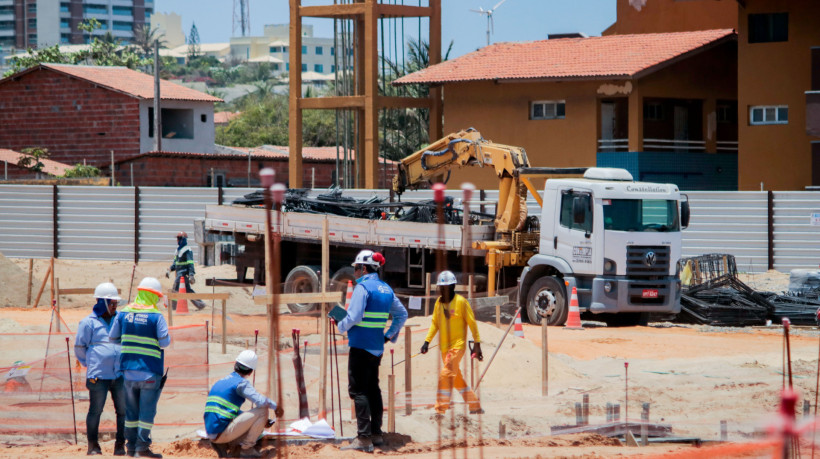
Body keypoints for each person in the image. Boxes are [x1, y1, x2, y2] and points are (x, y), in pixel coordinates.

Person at [335, 250, 407, 452]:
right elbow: (402, 314)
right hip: (376, 347)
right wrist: (388, 335)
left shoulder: (363, 287)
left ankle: (364, 438)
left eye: (356, 268)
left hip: (360, 345)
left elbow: (355, 316)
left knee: (358, 390)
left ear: (363, 268)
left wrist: (340, 325)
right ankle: (376, 434)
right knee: (373, 389)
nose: (354, 272)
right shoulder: (386, 288)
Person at [109, 277, 170, 458]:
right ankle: (142, 448)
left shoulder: (122, 313)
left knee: (131, 413)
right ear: (153, 296)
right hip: (150, 371)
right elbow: (165, 342)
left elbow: (112, 338)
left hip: (128, 371)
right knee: (147, 412)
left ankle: (130, 449)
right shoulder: (156, 316)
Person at [420, 270, 484, 416]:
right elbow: (435, 324)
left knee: (445, 375)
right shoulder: (438, 304)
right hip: (444, 348)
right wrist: (426, 342)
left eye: (445, 288)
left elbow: (472, 323)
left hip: (457, 346)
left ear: (452, 287)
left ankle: (440, 409)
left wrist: (477, 344)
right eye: (440, 288)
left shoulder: (461, 302)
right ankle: (475, 406)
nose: (442, 290)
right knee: (456, 379)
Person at [75, 282, 127, 456]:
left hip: (118, 375)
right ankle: (93, 446)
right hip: (98, 376)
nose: (115, 307)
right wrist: (91, 364)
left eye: (116, 304)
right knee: (95, 410)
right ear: (102, 302)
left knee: (123, 411)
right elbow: (80, 347)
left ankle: (120, 446)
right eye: (112, 303)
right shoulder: (88, 323)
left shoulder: (120, 319)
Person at [204, 350, 284, 458]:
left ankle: (225, 445)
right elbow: (261, 401)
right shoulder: (241, 383)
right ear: (251, 372)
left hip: (212, 433)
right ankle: (246, 450)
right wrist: (276, 407)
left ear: (235, 364)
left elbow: (231, 412)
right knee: (263, 411)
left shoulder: (221, 381)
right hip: (221, 433)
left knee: (255, 418)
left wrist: (255, 421)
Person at [167, 231, 206, 310]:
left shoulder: (187, 250)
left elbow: (190, 263)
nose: (177, 240)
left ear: (183, 240)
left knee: (175, 289)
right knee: (188, 291)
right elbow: (175, 264)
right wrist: (169, 270)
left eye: (179, 238)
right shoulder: (177, 251)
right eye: (177, 238)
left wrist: (191, 275)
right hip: (179, 274)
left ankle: (173, 307)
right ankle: (200, 304)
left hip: (183, 275)